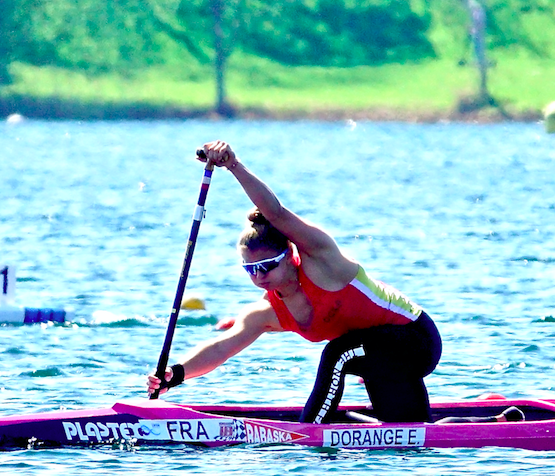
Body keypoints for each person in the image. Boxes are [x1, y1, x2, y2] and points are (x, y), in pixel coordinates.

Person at [146, 140, 442, 424]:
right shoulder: (266, 312)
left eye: (266, 266)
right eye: (250, 270)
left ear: (289, 254)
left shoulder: (322, 262)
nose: (259, 276)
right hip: (380, 358)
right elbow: (222, 347)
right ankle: (489, 423)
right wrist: (176, 374)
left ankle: (310, 430)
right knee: (411, 428)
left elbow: (276, 213)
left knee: (337, 353)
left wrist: (233, 165)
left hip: (415, 340)